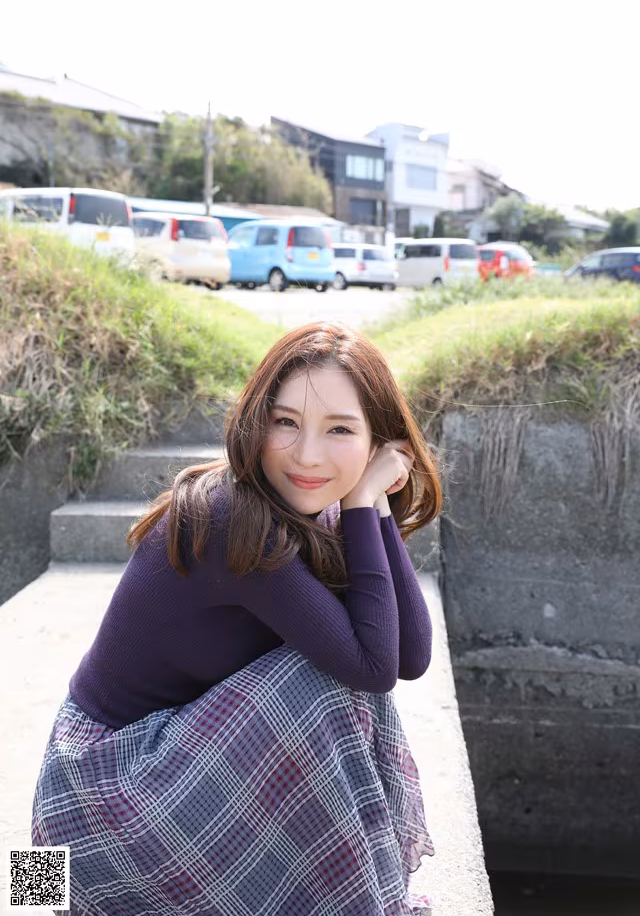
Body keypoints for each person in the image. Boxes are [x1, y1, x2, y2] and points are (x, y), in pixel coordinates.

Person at [32, 321, 442, 916]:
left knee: (339, 662)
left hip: (141, 774)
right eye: (286, 422)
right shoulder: (232, 518)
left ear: (381, 443)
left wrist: (370, 505)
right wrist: (357, 497)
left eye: (340, 430)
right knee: (329, 683)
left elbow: (411, 655)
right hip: (87, 800)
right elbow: (374, 669)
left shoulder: (304, 509)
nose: (307, 454)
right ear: (256, 420)